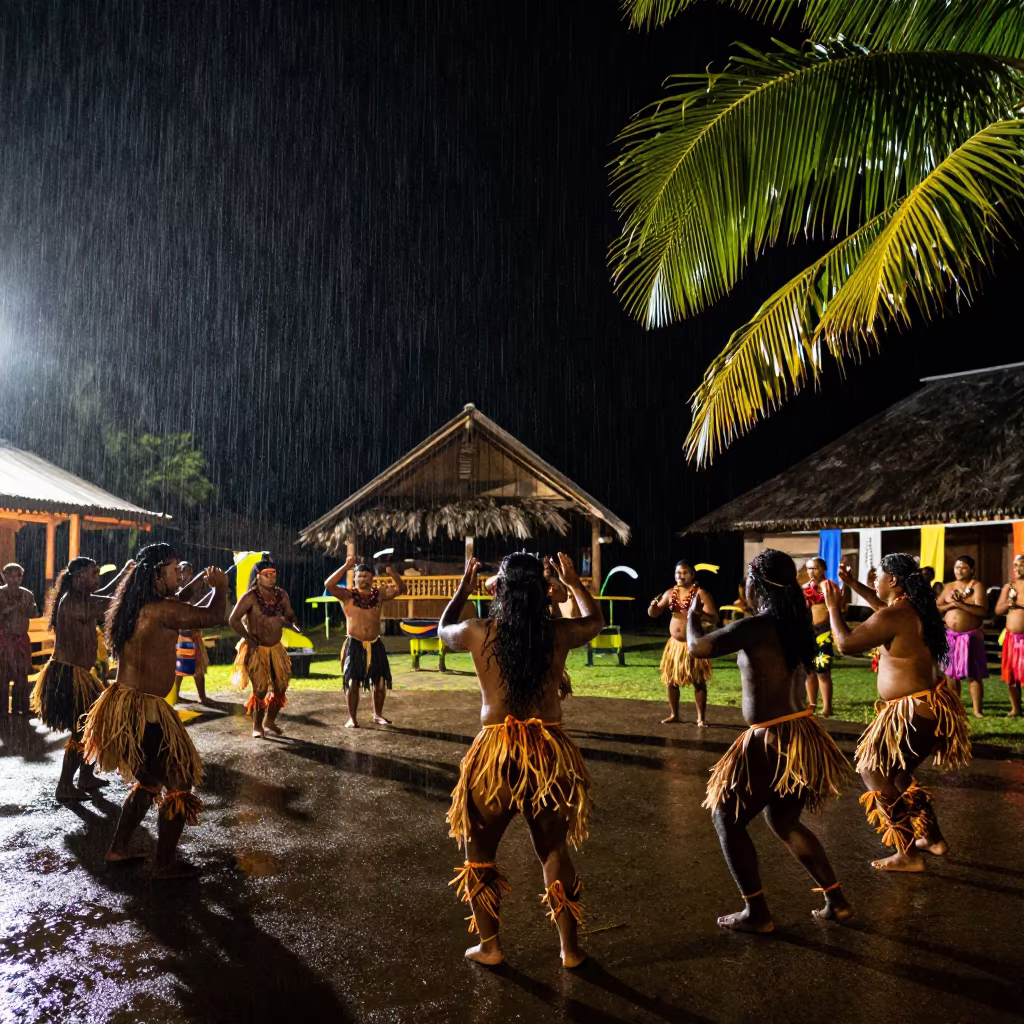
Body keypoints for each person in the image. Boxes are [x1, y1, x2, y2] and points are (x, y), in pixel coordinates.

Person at [440, 552, 603, 967]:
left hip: (496, 754)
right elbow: (596, 622)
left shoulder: (479, 631)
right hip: (547, 754)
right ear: (544, 591)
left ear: (500, 591)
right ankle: (569, 950)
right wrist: (574, 582)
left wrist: (464, 585)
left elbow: (443, 630)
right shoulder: (557, 633)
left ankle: (491, 947)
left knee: (478, 852)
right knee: (553, 851)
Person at [691, 549, 851, 933]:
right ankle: (837, 901)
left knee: (725, 818)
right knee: (783, 819)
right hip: (801, 734)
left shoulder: (756, 626)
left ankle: (757, 913)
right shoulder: (795, 625)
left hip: (773, 739)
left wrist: (691, 618)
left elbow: (699, 648)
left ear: (757, 584)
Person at [84, 545, 228, 877]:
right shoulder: (161, 611)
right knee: (180, 782)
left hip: (128, 705)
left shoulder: (137, 606)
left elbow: (183, 604)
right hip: (145, 710)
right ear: (156, 575)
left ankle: (118, 849)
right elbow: (211, 617)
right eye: (174, 569)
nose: (179, 574)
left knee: (149, 780)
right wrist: (219, 588)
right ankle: (164, 863)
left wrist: (196, 586)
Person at [829, 556, 971, 872]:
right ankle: (932, 838)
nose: (875, 581)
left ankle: (906, 853)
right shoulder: (916, 610)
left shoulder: (895, 615)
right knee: (901, 775)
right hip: (928, 708)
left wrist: (833, 608)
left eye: (877, 576)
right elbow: (883, 609)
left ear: (892, 580)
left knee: (871, 770)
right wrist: (855, 586)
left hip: (913, 711)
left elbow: (845, 644)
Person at [31, 556, 132, 800]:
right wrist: (131, 587)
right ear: (77, 579)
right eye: (93, 574)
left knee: (95, 723)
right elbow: (106, 604)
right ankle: (64, 786)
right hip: (67, 675)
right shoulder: (72, 603)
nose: (97, 578)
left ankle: (85, 777)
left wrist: (125, 573)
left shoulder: (81, 597)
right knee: (83, 728)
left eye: (98, 573)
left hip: (81, 674)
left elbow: (104, 596)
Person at [324, 556, 407, 727]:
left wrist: (393, 574)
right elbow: (328, 585)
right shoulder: (347, 595)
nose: (363, 579)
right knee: (353, 682)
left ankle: (377, 715)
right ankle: (352, 719)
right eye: (359, 576)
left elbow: (402, 589)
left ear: (372, 578)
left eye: (366, 576)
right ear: (355, 578)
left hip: (375, 643)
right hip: (354, 643)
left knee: (380, 681)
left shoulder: (380, 595)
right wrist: (345, 566)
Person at [229, 557, 301, 738]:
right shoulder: (250, 597)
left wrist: (294, 622)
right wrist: (248, 637)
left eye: (273, 574)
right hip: (257, 648)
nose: (271, 577)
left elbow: (290, 613)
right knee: (260, 689)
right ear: (258, 576)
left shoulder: (282, 595)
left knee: (281, 687)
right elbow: (233, 620)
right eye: (266, 575)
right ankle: (257, 726)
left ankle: (270, 720)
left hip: (276, 648)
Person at [648, 560, 718, 726]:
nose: (680, 575)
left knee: (698, 681)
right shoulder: (670, 593)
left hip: (693, 643)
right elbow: (653, 613)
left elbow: (714, 618)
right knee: (671, 680)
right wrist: (652, 606)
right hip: (675, 645)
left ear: (692, 575)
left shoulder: (700, 594)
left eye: (684, 572)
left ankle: (701, 718)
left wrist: (701, 614)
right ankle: (674, 714)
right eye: (678, 573)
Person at [935, 554, 988, 717]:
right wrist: (952, 604)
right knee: (951, 675)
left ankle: (977, 710)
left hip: (970, 636)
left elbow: (982, 610)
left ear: (972, 570)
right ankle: (955, 707)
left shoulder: (977, 586)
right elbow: (937, 607)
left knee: (973, 674)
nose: (959, 570)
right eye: (957, 567)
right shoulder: (949, 586)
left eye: (963, 567)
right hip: (950, 636)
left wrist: (962, 605)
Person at [803, 557, 843, 717]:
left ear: (823, 569)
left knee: (822, 671)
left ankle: (827, 708)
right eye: (809, 568)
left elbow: (838, 609)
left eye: (815, 568)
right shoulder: (805, 588)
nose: (811, 572)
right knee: (809, 671)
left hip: (823, 633)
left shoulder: (830, 587)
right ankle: (811, 705)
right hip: (808, 633)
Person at [0, 563, 39, 715]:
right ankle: (2, 708)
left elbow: (34, 612)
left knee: (22, 674)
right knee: (3, 674)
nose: (16, 579)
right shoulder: (1, 594)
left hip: (22, 639)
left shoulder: (27, 594)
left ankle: (20, 707)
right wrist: (7, 609)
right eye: (12, 575)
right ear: (5, 576)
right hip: (4, 639)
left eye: (19, 575)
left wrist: (29, 609)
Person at [177, 562, 213, 705]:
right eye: (185, 572)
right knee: (179, 669)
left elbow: (201, 606)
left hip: (195, 634)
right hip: (182, 635)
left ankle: (202, 697)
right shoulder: (178, 591)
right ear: (179, 574)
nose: (188, 575)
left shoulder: (195, 592)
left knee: (199, 669)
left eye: (190, 572)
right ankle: (176, 694)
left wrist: (213, 591)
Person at [995, 554, 1024, 718]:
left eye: (1021, 565)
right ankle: (1015, 708)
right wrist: (1009, 604)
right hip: (1012, 638)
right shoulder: (1009, 586)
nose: (1017, 568)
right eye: (1015, 565)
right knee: (1012, 677)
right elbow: (998, 610)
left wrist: (1018, 604)